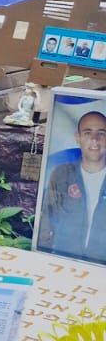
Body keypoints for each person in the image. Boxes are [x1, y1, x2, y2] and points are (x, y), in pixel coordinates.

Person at [38, 107, 106, 261]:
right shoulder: (62, 174)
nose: (94, 139)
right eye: (88, 133)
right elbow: (47, 221)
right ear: (78, 137)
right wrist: (42, 259)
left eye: (101, 133)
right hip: (65, 263)